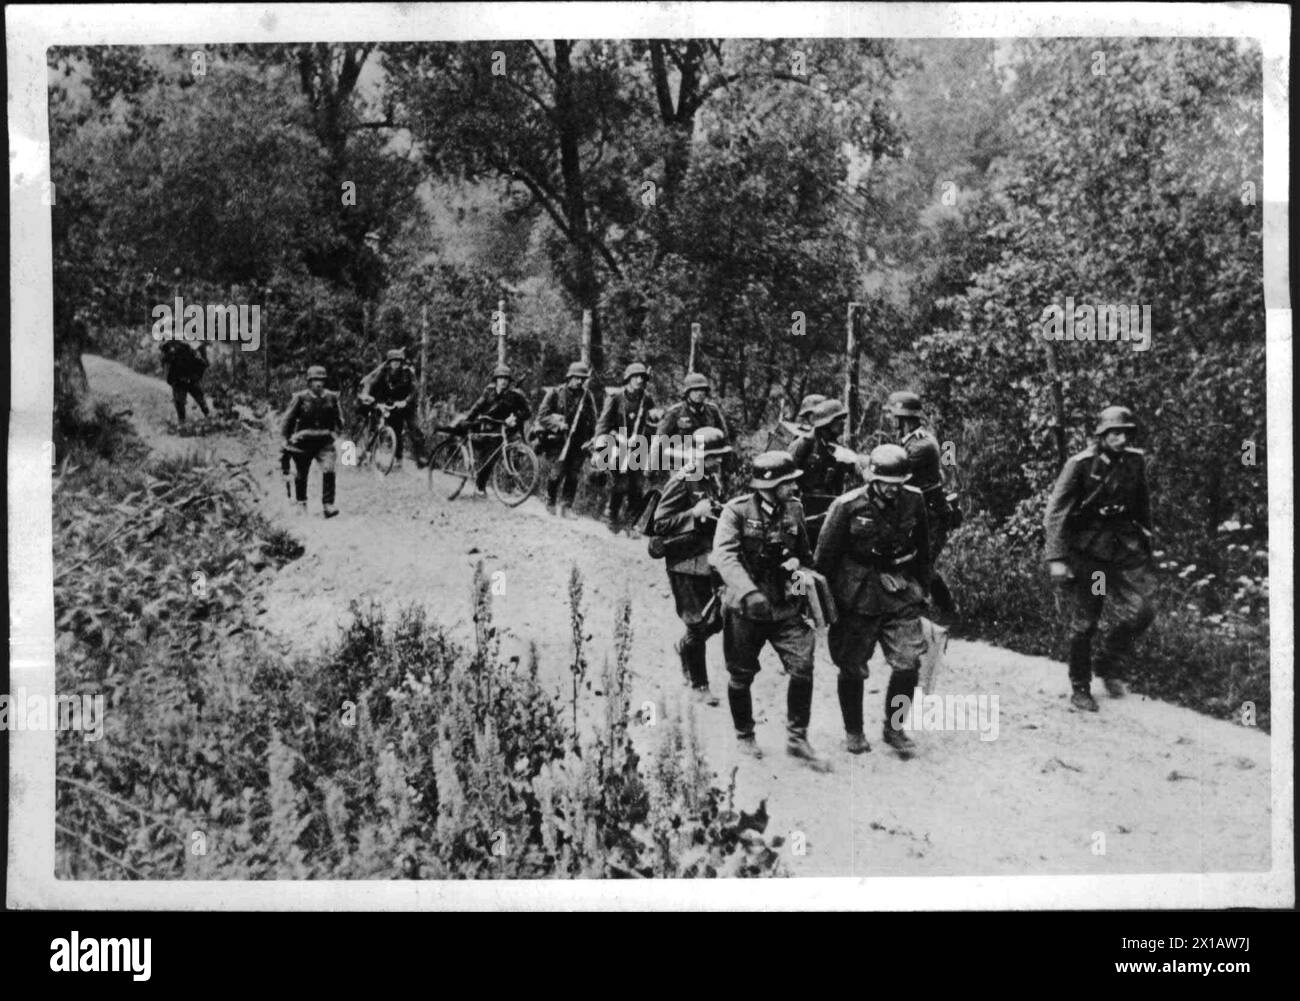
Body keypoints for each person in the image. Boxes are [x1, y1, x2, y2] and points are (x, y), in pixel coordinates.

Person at [710, 450, 829, 770]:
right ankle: (744, 734)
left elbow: (806, 556)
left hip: (785, 607)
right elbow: (725, 558)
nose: (793, 487)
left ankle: (797, 737)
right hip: (746, 609)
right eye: (788, 482)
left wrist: (798, 568)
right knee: (740, 674)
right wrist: (748, 591)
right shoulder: (736, 512)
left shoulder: (795, 510)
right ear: (770, 484)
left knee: (803, 666)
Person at [815, 444, 931, 758]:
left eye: (899, 482)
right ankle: (854, 731)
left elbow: (924, 547)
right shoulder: (847, 505)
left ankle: (894, 727)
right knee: (852, 666)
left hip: (899, 591)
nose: (893, 489)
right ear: (873, 479)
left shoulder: (914, 500)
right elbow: (824, 558)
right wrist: (822, 605)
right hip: (856, 595)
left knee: (908, 662)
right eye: (887, 483)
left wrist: (924, 588)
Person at [1044, 406, 1155, 712]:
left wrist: (1148, 541)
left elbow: (1142, 504)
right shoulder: (1080, 465)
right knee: (1087, 620)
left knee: (1142, 610)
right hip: (1094, 554)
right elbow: (1057, 513)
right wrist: (1057, 557)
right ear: (1101, 435)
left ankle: (1108, 663)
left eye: (1125, 433)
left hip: (1125, 549)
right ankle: (1081, 686)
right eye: (1114, 433)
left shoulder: (1135, 461)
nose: (1120, 439)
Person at [653, 426, 733, 706]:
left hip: (708, 560)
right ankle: (699, 684)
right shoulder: (682, 479)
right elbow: (659, 524)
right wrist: (692, 514)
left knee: (717, 620)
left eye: (719, 456)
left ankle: (686, 647)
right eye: (713, 456)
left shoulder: (710, 478)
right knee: (698, 623)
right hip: (684, 562)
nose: (718, 461)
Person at [888, 390, 956, 617]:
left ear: (902, 418)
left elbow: (895, 470)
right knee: (917, 564)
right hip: (918, 514)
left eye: (893, 416)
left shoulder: (922, 445)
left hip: (932, 515)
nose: (891, 420)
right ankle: (943, 611)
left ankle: (938, 612)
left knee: (923, 565)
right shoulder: (908, 441)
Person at [594, 362, 656, 533]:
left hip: (638, 446)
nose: (639, 381)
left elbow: (651, 425)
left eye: (642, 378)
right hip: (617, 443)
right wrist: (599, 446)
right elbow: (604, 423)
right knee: (620, 484)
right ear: (628, 379)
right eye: (635, 377)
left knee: (636, 487)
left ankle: (630, 524)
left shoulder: (647, 399)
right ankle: (612, 516)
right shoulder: (616, 398)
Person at [789, 398, 859, 547]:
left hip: (828, 504)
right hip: (804, 505)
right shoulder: (804, 444)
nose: (843, 424)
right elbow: (788, 475)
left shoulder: (835, 447)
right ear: (827, 422)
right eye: (839, 420)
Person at [280, 365, 343, 518]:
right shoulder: (300, 398)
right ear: (309, 382)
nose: (318, 384)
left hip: (324, 442)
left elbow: (339, 419)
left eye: (321, 380)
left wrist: (336, 434)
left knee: (329, 470)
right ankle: (301, 503)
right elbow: (287, 419)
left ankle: (328, 504)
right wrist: (285, 439)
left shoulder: (332, 397)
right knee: (302, 473)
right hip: (303, 442)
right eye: (315, 380)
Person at [537, 361, 598, 517]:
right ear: (569, 377)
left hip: (579, 441)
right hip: (558, 440)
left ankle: (566, 506)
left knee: (573, 475)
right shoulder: (556, 393)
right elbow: (542, 416)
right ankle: (550, 500)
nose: (579, 381)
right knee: (557, 473)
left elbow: (593, 419)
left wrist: (592, 439)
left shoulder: (587, 396)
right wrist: (558, 424)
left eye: (582, 379)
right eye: (576, 378)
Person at [462, 363, 532, 496]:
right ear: (496, 380)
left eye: (506, 379)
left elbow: (528, 411)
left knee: (512, 454)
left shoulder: (514, 395)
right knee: (487, 458)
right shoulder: (489, 391)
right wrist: (468, 419)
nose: (503, 381)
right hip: (488, 428)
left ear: (509, 381)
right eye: (500, 378)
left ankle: (511, 487)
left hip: (507, 430)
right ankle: (480, 486)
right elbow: (478, 406)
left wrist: (515, 417)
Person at [359, 348, 425, 469]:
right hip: (392, 405)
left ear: (401, 362)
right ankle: (398, 459)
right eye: (393, 361)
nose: (396, 364)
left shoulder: (407, 372)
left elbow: (415, 389)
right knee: (396, 431)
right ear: (389, 363)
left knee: (415, 429)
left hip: (407, 406)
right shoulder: (383, 372)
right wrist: (367, 395)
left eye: (398, 361)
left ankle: (421, 458)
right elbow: (372, 383)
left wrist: (406, 401)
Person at [656, 372, 731, 444]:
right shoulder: (675, 412)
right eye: (695, 390)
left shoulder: (712, 411)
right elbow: (659, 441)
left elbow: (725, 437)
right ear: (688, 392)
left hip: (708, 454)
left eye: (702, 390)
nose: (699, 393)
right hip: (681, 454)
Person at [160, 340, 211, 425]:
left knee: (200, 399)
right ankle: (182, 421)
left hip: (191, 376)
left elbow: (203, 363)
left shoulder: (194, 347)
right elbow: (164, 354)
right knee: (180, 402)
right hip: (179, 378)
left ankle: (208, 416)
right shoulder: (172, 347)